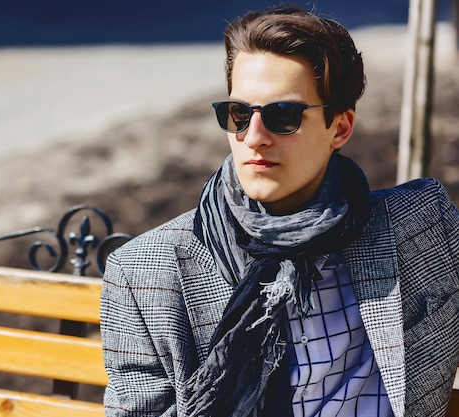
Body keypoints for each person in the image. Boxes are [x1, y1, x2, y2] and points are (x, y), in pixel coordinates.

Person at [100, 4, 459, 417]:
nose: (253, 137)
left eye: (283, 115)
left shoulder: (421, 225)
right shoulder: (146, 274)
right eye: (238, 114)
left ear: (339, 128)